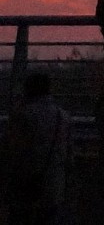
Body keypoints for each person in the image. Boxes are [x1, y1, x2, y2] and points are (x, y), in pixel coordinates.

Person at [2, 73, 71, 225]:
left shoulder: (22, 115)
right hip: (53, 188)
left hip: (24, 187)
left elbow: (11, 152)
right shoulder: (63, 116)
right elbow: (67, 155)